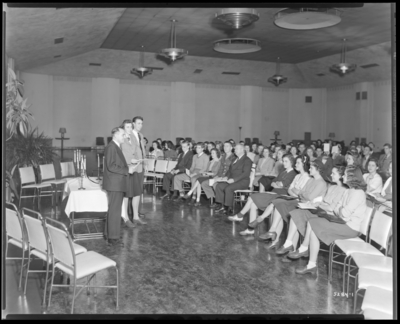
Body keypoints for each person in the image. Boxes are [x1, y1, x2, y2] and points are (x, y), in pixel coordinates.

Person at [294, 165, 368, 275]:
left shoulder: (358, 193)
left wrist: (340, 210)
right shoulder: (349, 191)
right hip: (343, 222)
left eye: (345, 175)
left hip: (350, 228)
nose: (343, 176)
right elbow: (338, 209)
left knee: (314, 223)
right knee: (313, 222)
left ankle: (308, 256)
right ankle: (311, 264)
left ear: (352, 177)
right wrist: (341, 210)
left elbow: (343, 212)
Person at [229, 155, 305, 237]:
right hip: (273, 193)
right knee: (253, 205)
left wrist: (278, 184)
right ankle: (250, 229)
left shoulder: (293, 173)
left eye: (286, 161)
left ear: (291, 162)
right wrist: (277, 184)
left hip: (279, 195)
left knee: (252, 197)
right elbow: (273, 182)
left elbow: (283, 184)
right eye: (283, 161)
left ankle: (240, 215)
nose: (284, 163)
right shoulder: (283, 172)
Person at [283, 166, 347, 263]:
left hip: (327, 216)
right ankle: (289, 244)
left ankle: (302, 248)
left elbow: (330, 208)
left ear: (341, 176)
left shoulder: (343, 190)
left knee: (309, 220)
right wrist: (316, 203)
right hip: (320, 211)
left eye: (334, 173)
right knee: (296, 213)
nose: (331, 175)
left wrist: (319, 205)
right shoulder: (332, 187)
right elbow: (324, 201)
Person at [260, 160, 328, 251]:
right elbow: (302, 193)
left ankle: (288, 245)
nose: (309, 169)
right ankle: (273, 232)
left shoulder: (321, 183)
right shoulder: (311, 179)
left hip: (310, 208)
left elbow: (308, 196)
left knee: (292, 214)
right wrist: (303, 194)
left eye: (311, 168)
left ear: (318, 169)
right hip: (302, 203)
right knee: (278, 204)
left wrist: (303, 194)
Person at [103, 127, 137, 247]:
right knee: (115, 211)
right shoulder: (112, 147)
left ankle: (109, 234)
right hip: (115, 184)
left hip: (116, 183)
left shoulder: (115, 146)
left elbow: (115, 165)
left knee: (113, 210)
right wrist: (127, 170)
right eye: (123, 134)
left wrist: (128, 168)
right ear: (116, 135)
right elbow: (111, 166)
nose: (125, 137)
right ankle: (113, 238)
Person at [214, 144, 253, 216]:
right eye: (235, 149)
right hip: (232, 180)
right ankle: (222, 205)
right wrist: (226, 177)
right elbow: (230, 171)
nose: (235, 150)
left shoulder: (247, 160)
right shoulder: (235, 159)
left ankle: (229, 208)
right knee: (219, 186)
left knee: (229, 188)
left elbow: (246, 173)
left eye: (237, 149)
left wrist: (234, 180)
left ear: (242, 150)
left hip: (242, 181)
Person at [202, 141, 236, 208]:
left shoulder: (234, 157)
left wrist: (223, 177)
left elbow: (232, 170)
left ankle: (220, 203)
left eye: (227, 146)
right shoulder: (223, 157)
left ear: (231, 147)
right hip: (221, 176)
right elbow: (221, 169)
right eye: (224, 146)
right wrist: (217, 176)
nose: (225, 148)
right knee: (205, 183)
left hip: (228, 177)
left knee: (216, 185)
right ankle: (216, 199)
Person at [127, 116, 147, 225]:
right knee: (129, 192)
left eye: (142, 123)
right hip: (132, 166)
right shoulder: (129, 135)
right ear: (133, 124)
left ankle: (135, 216)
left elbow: (142, 150)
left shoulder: (141, 135)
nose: (140, 125)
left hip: (140, 167)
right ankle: (126, 215)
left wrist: (145, 163)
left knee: (138, 191)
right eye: (138, 123)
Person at [119, 119, 137, 228]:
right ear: (123, 128)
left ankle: (126, 216)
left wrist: (135, 160)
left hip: (132, 168)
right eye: (127, 127)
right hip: (125, 168)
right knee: (125, 195)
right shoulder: (121, 139)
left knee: (129, 193)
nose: (130, 129)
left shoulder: (133, 138)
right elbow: (121, 155)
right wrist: (130, 161)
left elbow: (133, 152)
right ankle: (125, 218)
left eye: (131, 127)